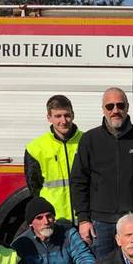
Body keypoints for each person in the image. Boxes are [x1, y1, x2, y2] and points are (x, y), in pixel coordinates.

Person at [70, 87, 133, 259]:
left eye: (120, 105)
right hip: (99, 224)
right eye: (110, 106)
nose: (115, 110)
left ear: (127, 107)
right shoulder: (89, 140)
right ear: (103, 109)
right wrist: (83, 219)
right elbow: (79, 181)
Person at [25, 94, 83, 223]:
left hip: (84, 219)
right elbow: (34, 188)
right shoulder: (36, 148)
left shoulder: (87, 141)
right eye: (58, 116)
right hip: (54, 220)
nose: (63, 121)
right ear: (49, 118)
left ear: (73, 115)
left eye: (67, 115)